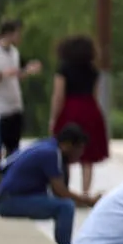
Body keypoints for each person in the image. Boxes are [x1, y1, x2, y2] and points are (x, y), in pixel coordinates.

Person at [0, 124, 99, 244]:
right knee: (65, 207)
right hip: (9, 202)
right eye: (80, 149)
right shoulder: (52, 154)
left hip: (8, 198)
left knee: (62, 203)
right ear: (68, 144)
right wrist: (89, 201)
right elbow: (60, 192)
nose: (80, 154)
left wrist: (82, 201)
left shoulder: (46, 145)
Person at [48, 34, 109, 196]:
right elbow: (96, 95)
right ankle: (86, 191)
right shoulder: (93, 71)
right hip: (89, 108)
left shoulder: (63, 69)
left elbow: (58, 95)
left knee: (65, 150)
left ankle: (65, 190)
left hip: (70, 109)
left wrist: (54, 118)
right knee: (87, 155)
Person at [0, 19, 42, 159]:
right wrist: (1, 75)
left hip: (15, 106)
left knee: (14, 149)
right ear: (9, 33)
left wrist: (28, 70)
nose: (19, 37)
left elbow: (16, 75)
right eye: (18, 33)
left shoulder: (14, 52)